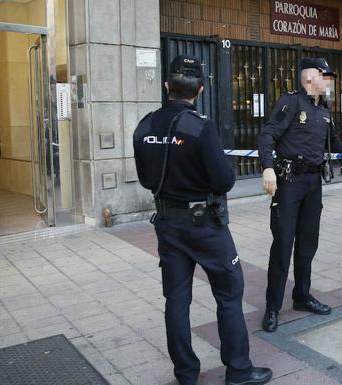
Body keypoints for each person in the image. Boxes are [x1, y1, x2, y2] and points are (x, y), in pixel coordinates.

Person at [133, 55, 272, 385]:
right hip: (205, 226)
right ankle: (238, 370)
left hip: (168, 225)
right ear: (200, 88)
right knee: (229, 291)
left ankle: (186, 374)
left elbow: (144, 179)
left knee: (177, 300)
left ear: (167, 86)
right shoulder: (200, 127)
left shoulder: (145, 125)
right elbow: (224, 181)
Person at [257, 57, 342, 333]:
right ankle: (273, 307)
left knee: (308, 244)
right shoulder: (291, 102)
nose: (329, 81)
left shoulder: (323, 109)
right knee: (283, 245)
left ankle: (301, 296)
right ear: (311, 77)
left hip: (314, 183)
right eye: (326, 75)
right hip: (289, 183)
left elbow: (331, 139)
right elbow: (267, 135)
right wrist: (267, 168)